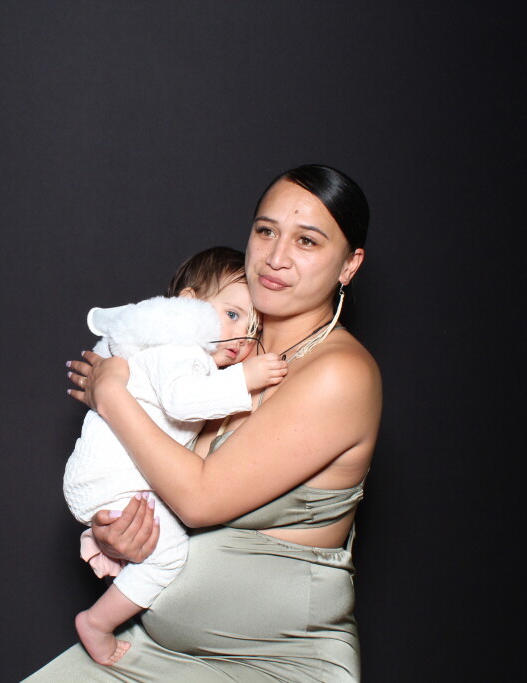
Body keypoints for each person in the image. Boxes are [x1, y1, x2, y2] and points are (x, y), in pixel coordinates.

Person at [26, 164, 381, 682]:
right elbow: (163, 482)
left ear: (349, 265)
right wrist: (124, 534)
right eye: (266, 231)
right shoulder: (222, 352)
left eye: (307, 241)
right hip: (146, 649)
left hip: (270, 664)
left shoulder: (339, 375)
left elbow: (197, 499)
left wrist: (111, 394)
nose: (276, 257)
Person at [64, 247, 287, 666]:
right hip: (113, 479)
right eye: (232, 315)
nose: (242, 337)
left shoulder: (186, 357)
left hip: (117, 479)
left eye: (252, 328)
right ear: (188, 305)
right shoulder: (178, 350)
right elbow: (184, 402)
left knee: (160, 543)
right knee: (169, 554)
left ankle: (102, 563)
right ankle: (96, 623)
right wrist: (246, 378)